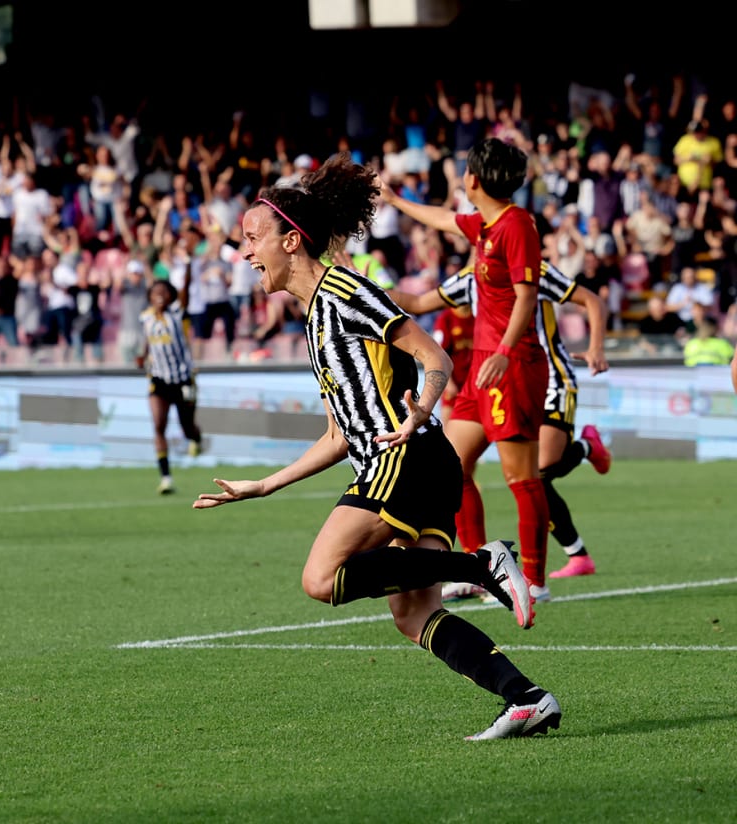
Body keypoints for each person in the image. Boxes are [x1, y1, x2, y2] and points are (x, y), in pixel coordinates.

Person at [192, 152, 561, 740]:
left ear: (292, 242)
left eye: (253, 238)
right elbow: (340, 435)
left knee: (321, 579)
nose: (245, 253)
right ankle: (527, 698)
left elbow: (432, 357)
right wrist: (265, 485)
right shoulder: (316, 318)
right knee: (413, 613)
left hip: (406, 457)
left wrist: (420, 411)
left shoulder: (344, 292)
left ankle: (481, 563)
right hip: (411, 462)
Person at [378, 137, 552, 602]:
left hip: (511, 365)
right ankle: (479, 566)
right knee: (451, 469)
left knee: (521, 476)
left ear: (473, 179)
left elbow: (526, 296)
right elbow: (444, 219)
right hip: (482, 368)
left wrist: (504, 349)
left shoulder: (517, 226)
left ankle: (534, 580)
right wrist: (395, 200)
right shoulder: (487, 227)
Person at [390, 259, 611, 585]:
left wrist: (596, 347)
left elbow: (592, 300)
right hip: (495, 379)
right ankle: (476, 570)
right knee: (453, 466)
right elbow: (419, 302)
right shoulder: (473, 274)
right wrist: (363, 288)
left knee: (541, 468)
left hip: (546, 376)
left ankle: (585, 449)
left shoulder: (532, 267)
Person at [138, 279, 203, 494]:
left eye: (164, 292)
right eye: (155, 292)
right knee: (158, 425)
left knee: (187, 427)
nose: (159, 295)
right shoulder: (146, 317)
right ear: (149, 296)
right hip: (159, 379)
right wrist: (143, 355)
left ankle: (196, 438)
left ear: (171, 296)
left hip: (183, 379)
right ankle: (166, 478)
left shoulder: (177, 314)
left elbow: (185, 289)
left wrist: (186, 264)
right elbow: (149, 339)